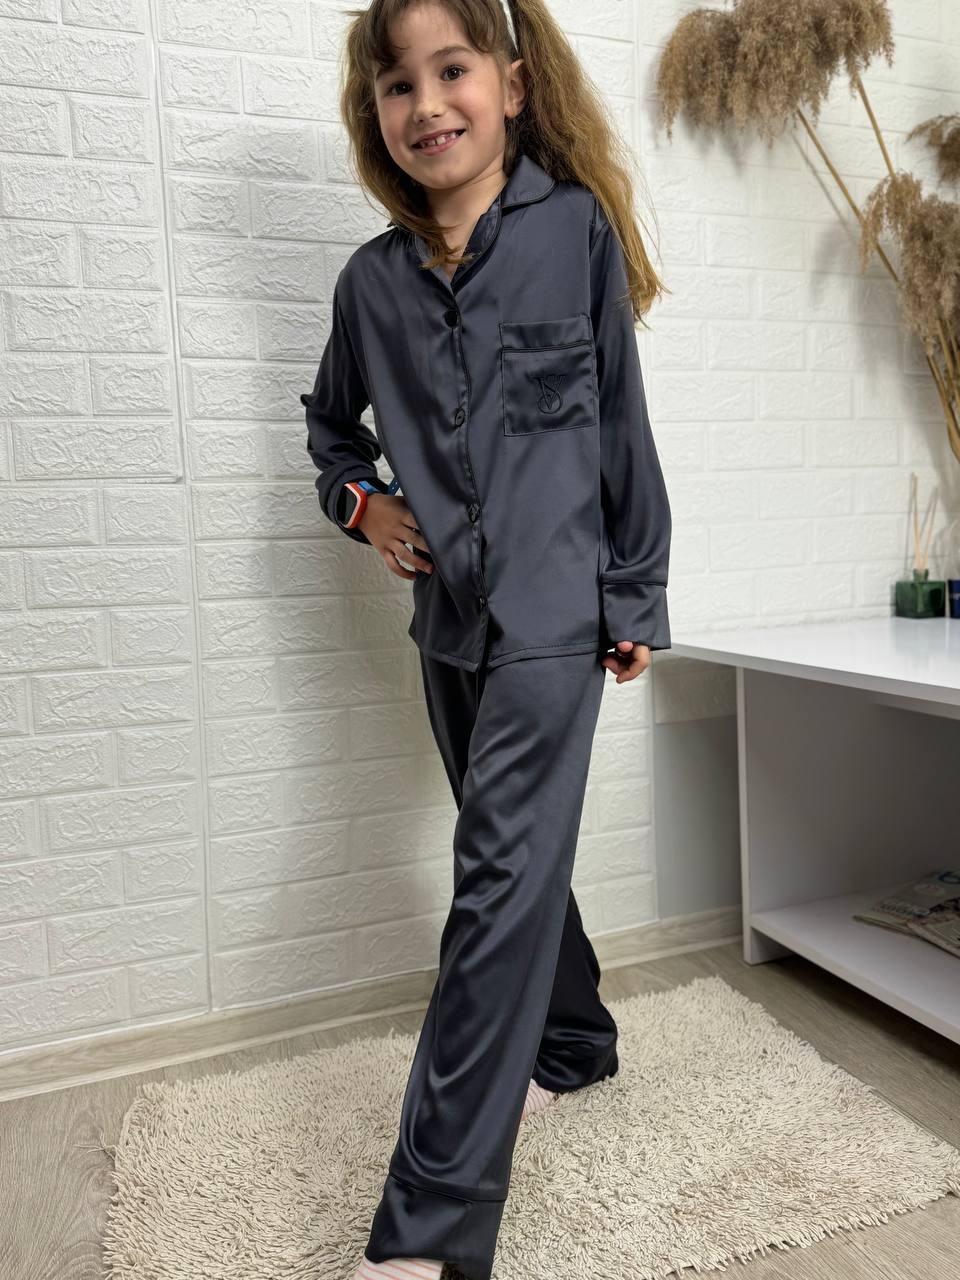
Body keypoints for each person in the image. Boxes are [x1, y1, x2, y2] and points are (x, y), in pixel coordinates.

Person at [298, 0, 673, 1275]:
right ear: (376, 114)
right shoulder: (369, 285)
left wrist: (636, 589)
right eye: (396, 83)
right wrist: (365, 506)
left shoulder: (574, 231)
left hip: (561, 616)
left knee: (494, 883)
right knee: (510, 854)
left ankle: (428, 1232)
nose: (426, 103)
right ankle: (575, 1040)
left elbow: (619, 421)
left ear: (510, 85)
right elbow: (330, 434)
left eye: (450, 69)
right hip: (447, 623)